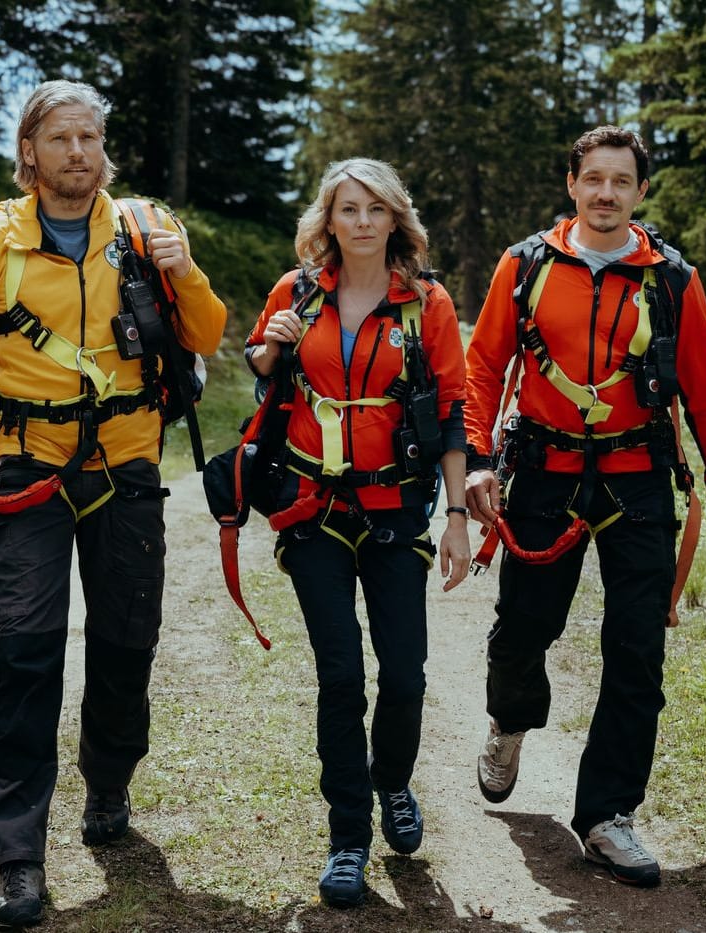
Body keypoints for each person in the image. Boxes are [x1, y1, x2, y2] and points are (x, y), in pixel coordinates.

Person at [0, 79, 226, 929]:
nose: (77, 153)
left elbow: (205, 334)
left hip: (127, 468)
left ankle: (108, 780)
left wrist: (185, 270)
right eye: (60, 138)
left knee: (128, 640)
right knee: (25, 652)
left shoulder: (143, 230)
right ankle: (18, 855)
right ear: (29, 152)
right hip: (27, 472)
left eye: (89, 137)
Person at [464, 125, 706, 887]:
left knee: (635, 651)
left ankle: (605, 816)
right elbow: (484, 366)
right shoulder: (524, 266)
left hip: (639, 480)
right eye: (593, 179)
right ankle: (509, 722)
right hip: (544, 472)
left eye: (620, 182)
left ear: (639, 192)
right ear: (571, 185)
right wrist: (479, 461)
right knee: (524, 627)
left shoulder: (671, 279)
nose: (605, 194)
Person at [244, 158, 470, 908]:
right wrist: (269, 343)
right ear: (329, 221)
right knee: (341, 674)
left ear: (395, 218)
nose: (363, 221)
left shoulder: (427, 304)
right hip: (312, 508)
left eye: (375, 208)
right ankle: (348, 835)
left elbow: (452, 416)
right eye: (348, 209)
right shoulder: (298, 290)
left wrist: (459, 517)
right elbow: (261, 367)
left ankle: (394, 782)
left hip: (397, 509)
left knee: (403, 673)